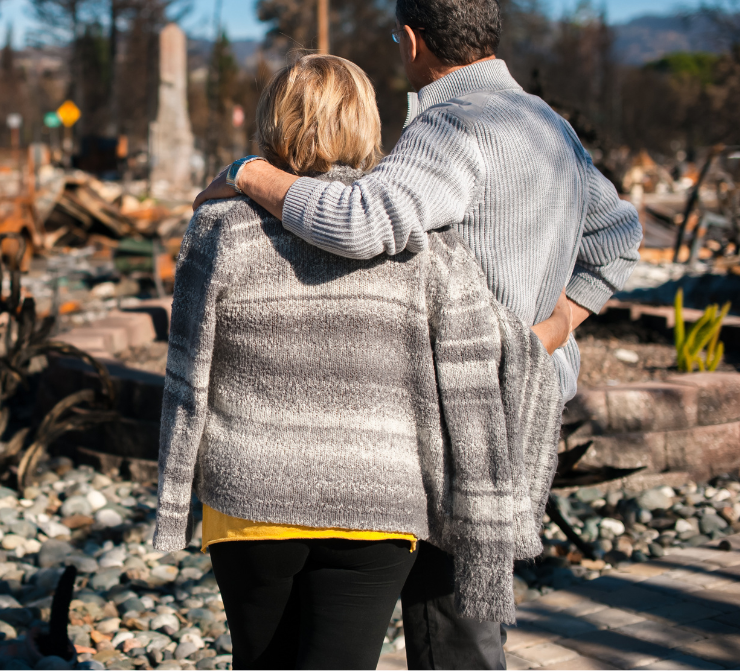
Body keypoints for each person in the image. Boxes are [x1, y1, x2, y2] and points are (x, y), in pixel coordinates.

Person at [193, 0, 643, 667]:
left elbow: (360, 222)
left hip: (459, 412)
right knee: (470, 623)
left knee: (447, 633)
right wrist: (553, 331)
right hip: (527, 405)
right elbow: (619, 238)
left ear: (410, 40)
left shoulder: (452, 128)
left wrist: (249, 174)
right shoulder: (547, 126)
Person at [154, 54, 562, 670]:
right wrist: (556, 327)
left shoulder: (220, 225)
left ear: (272, 122)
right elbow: (477, 358)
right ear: (368, 124)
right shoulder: (418, 241)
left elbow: (188, 374)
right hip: (378, 503)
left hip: (250, 497)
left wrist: (173, 499)